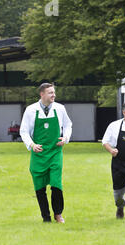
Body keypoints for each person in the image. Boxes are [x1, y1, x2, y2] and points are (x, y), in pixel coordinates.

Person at [20, 83, 72, 223]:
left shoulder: (60, 108)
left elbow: (68, 125)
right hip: (39, 153)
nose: (53, 95)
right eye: (50, 92)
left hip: (55, 152)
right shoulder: (31, 110)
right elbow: (24, 131)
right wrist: (32, 144)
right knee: (39, 186)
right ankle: (46, 217)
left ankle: (58, 214)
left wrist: (65, 137)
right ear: (42, 94)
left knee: (56, 183)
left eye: (54, 92)